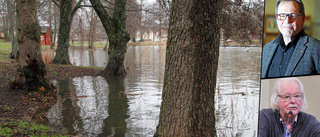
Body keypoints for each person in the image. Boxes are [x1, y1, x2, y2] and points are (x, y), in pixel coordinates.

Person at [261, 0, 320, 78]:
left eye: (293, 15)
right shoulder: (266, 49)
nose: (287, 21)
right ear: (277, 18)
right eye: (282, 15)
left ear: (303, 18)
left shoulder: (316, 49)